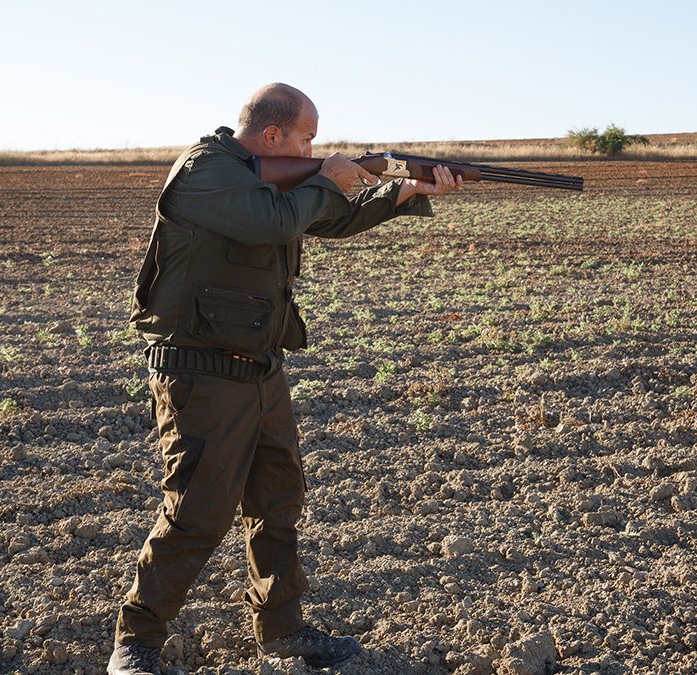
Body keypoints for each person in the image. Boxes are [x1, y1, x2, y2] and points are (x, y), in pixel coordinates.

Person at [108, 83, 462, 675]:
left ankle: (283, 630)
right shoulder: (207, 173)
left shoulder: (270, 179)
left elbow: (326, 218)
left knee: (277, 500)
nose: (314, 152)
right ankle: (136, 641)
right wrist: (331, 177)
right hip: (202, 370)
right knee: (198, 509)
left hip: (260, 367)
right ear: (272, 136)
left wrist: (402, 192)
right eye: (307, 139)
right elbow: (272, 221)